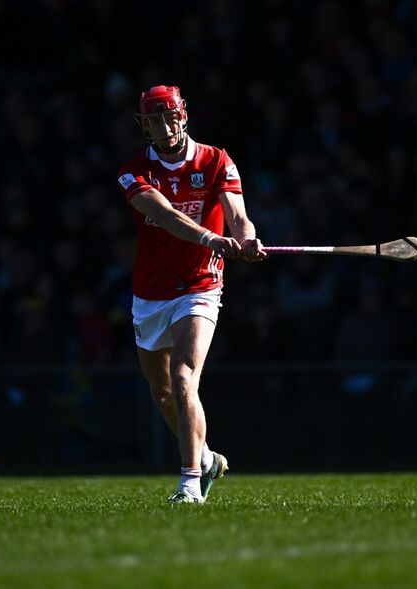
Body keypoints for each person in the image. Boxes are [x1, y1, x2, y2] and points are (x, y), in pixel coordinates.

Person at [116, 85, 267, 503]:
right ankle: (204, 455)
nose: (162, 128)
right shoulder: (133, 172)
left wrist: (247, 239)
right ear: (143, 126)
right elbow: (163, 215)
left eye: (168, 118)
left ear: (183, 116)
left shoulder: (217, 159)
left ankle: (189, 485)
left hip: (200, 285)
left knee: (184, 376)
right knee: (162, 392)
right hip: (150, 293)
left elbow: (237, 215)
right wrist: (210, 237)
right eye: (152, 122)